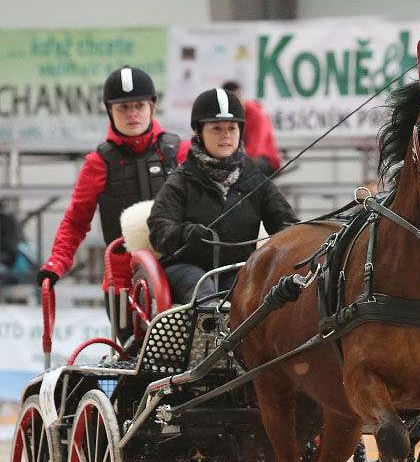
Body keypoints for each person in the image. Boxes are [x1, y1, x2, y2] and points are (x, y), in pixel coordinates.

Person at [36, 66, 190, 328]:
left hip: (180, 271)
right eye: (123, 107)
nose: (132, 114)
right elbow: (75, 222)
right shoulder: (97, 163)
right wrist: (56, 264)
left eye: (139, 105)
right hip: (123, 286)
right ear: (110, 111)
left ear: (152, 107)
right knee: (138, 361)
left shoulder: (182, 152)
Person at [147, 87, 297, 302]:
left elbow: (286, 224)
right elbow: (159, 228)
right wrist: (187, 234)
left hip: (236, 269)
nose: (226, 135)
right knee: (206, 292)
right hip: (187, 267)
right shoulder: (181, 179)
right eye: (216, 128)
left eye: (232, 128)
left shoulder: (255, 179)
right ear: (198, 133)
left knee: (251, 297)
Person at [222, 80, 281, 175]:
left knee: (237, 169)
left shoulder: (257, 115)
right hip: (238, 158)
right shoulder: (226, 116)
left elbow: (255, 151)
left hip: (265, 160)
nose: (239, 103)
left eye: (239, 97)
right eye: (233, 101)